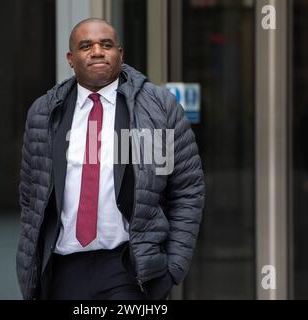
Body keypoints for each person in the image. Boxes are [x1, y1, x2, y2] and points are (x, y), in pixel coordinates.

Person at [16, 18, 205, 300]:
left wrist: (173, 267)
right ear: (71, 58)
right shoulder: (45, 112)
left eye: (106, 44)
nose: (97, 51)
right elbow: (31, 195)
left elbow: (187, 189)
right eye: (85, 46)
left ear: (120, 53)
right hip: (63, 270)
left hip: (129, 270)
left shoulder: (156, 109)